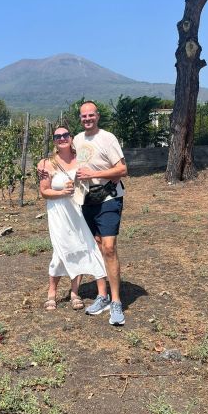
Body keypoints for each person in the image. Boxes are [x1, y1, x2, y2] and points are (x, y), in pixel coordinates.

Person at [38, 126, 107, 311]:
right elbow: (44, 191)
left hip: (78, 211)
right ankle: (51, 293)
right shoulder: (47, 163)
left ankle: (75, 292)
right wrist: (62, 192)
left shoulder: (81, 159)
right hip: (59, 214)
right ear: (54, 141)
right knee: (60, 251)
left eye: (65, 135)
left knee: (80, 248)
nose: (62, 138)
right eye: (57, 136)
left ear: (71, 137)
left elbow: (96, 170)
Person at [74, 101, 128, 326]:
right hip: (87, 199)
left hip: (109, 197)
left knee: (109, 247)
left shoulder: (108, 138)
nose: (87, 119)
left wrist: (95, 174)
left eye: (91, 115)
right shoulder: (77, 139)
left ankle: (116, 302)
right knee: (96, 246)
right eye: (84, 116)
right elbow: (63, 160)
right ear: (80, 118)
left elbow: (122, 169)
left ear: (98, 116)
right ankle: (102, 295)